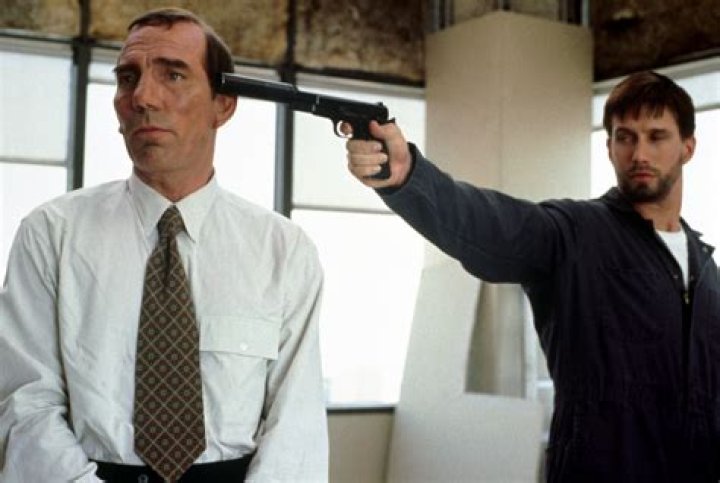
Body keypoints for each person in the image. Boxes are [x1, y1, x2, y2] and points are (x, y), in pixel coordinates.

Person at [0, 7, 327, 482]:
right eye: (127, 78)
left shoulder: (283, 250)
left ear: (223, 105)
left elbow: (296, 423)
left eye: (173, 75)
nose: (142, 98)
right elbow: (25, 402)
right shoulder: (51, 234)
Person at [345, 71, 720, 482]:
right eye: (625, 137)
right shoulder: (575, 233)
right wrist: (409, 177)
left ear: (687, 148)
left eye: (657, 136)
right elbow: (489, 225)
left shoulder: (706, 272)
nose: (639, 153)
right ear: (609, 147)